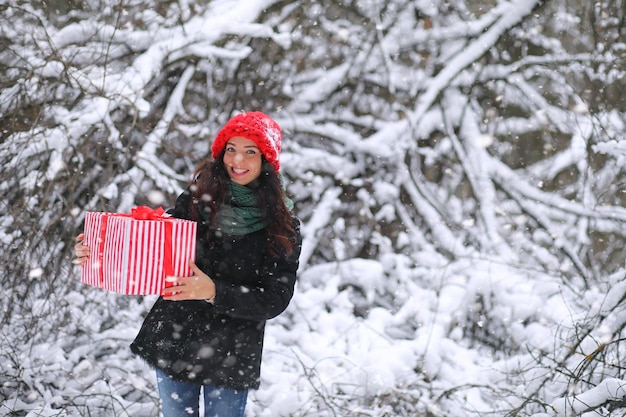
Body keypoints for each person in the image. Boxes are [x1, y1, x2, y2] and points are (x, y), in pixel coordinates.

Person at [74, 111, 302, 417]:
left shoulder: (281, 225)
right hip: (175, 336)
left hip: (231, 351)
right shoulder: (199, 198)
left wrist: (213, 291)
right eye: (231, 149)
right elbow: (151, 244)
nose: (238, 160)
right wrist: (98, 251)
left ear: (266, 161)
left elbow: (275, 298)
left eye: (251, 152)